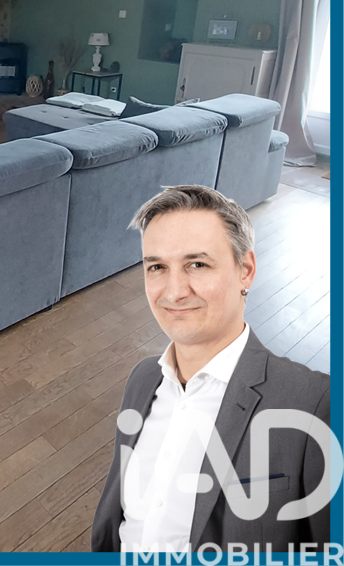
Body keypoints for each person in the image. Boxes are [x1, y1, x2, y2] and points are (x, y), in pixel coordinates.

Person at [92, 185, 331, 553]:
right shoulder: (143, 379)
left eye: (197, 264)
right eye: (157, 267)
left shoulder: (316, 404)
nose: (174, 292)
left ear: (245, 270)